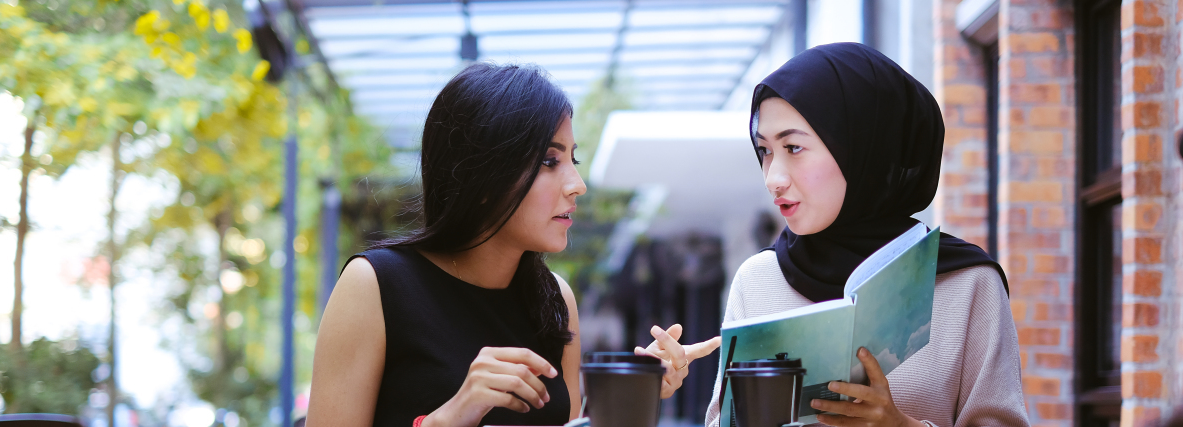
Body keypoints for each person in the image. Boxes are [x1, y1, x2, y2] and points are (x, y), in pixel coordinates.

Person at [307, 63, 720, 427]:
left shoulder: (557, 299)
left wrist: (632, 391)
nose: (577, 185)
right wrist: (449, 418)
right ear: (483, 175)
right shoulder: (375, 286)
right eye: (548, 161)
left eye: (572, 160)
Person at [704, 43, 1029, 427]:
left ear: (859, 147)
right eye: (765, 151)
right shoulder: (757, 281)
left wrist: (900, 425)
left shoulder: (968, 284)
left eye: (793, 147)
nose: (774, 178)